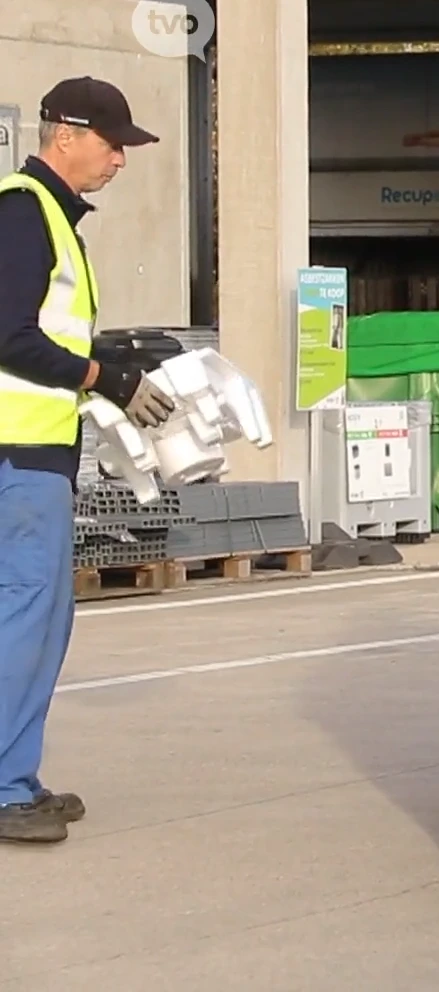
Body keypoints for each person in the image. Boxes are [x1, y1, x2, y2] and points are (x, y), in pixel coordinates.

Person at [1, 77, 177, 845]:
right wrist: (105, 377)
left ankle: (17, 774)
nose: (120, 160)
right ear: (64, 134)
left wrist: (106, 357)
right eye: (113, 144)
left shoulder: (51, 219)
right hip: (16, 452)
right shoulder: (23, 211)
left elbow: (44, 332)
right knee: (26, 617)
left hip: (38, 452)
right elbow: (7, 335)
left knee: (44, 617)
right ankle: (5, 790)